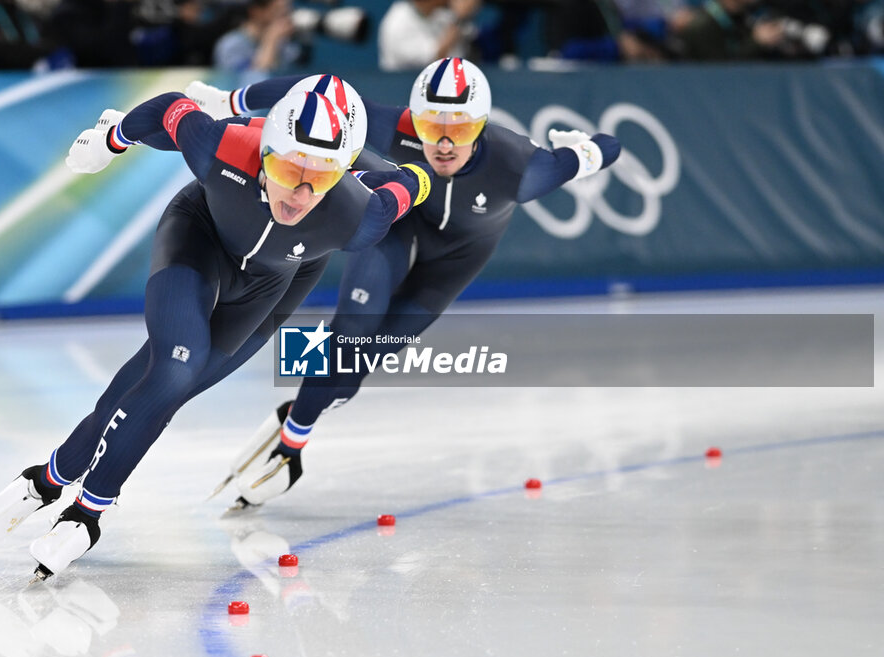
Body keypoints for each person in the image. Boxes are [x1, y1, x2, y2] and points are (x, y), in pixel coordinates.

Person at [0, 87, 433, 581]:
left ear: (342, 174)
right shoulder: (225, 145)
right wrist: (113, 138)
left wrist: (394, 174)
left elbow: (413, 183)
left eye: (319, 179)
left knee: (165, 385)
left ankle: (49, 478)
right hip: (197, 239)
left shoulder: (361, 215)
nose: (298, 195)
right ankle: (87, 515)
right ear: (265, 152)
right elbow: (167, 107)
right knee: (173, 368)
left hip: (276, 281)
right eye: (286, 171)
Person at [184, 57, 621, 510]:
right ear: (415, 119)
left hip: (455, 259)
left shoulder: (526, 168)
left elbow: (610, 147)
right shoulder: (396, 127)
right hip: (401, 227)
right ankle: (292, 447)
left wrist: (586, 148)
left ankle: (297, 417)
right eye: (432, 126)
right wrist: (231, 100)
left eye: (462, 129)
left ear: (483, 126)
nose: (446, 143)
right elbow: (315, 88)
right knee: (349, 332)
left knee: (365, 360)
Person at [378, 0, 482, 71]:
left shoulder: (441, 15)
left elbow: (471, 36)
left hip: (442, 87)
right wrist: (460, 18)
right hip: (400, 89)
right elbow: (436, 60)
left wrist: (467, 12)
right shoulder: (397, 22)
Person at [213, 0, 300, 84]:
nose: (286, 17)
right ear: (256, 11)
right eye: (278, 10)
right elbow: (253, 82)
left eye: (287, 10)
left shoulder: (285, 44)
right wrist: (270, 41)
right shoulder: (231, 45)